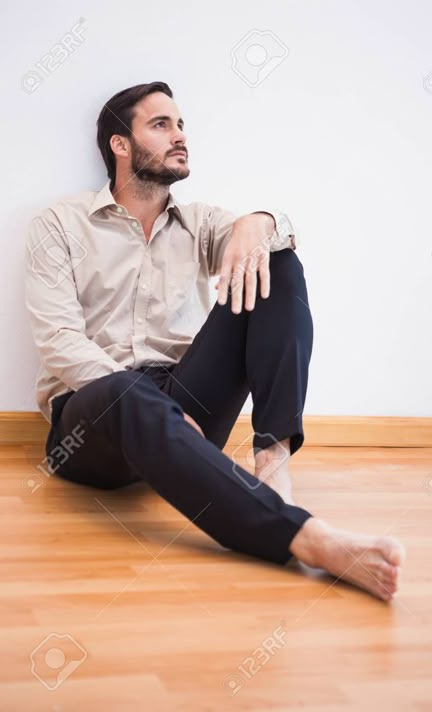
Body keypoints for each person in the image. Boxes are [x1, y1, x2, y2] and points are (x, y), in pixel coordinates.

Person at [25, 82, 404, 602]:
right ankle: (308, 539)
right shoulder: (61, 223)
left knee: (277, 261)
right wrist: (145, 398)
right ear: (119, 143)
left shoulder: (199, 222)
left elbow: (276, 242)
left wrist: (260, 221)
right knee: (125, 392)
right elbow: (58, 339)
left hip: (184, 400)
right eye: (161, 125)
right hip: (94, 418)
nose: (179, 136)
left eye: (181, 125)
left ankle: (272, 464)